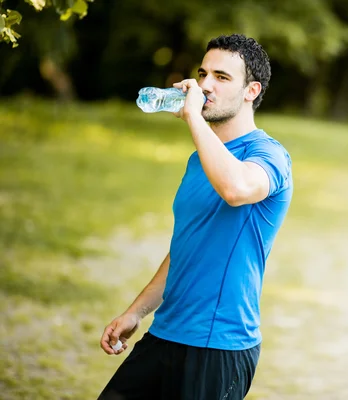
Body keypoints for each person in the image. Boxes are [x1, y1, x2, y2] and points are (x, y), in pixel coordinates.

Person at [97, 34, 293, 400]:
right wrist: (136, 312)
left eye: (221, 77)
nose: (204, 86)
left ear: (251, 91)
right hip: (165, 333)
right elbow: (187, 245)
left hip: (219, 346)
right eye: (202, 74)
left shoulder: (269, 155)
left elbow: (236, 189)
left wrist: (193, 117)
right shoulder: (200, 159)